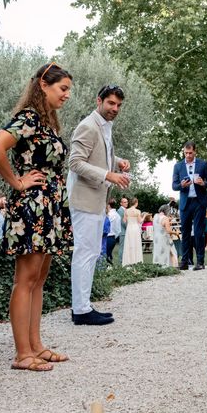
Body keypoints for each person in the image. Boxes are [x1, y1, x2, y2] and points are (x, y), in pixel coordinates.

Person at [0, 62, 74, 372]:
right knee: (25, 280)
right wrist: (17, 181)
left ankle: (36, 345)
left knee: (38, 279)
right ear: (43, 86)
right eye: (63, 88)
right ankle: (22, 354)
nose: (66, 95)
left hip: (48, 206)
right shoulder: (28, 119)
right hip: (32, 206)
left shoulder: (48, 123)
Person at [68, 85, 131, 326]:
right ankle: (81, 310)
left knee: (92, 252)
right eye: (111, 103)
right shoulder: (88, 125)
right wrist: (109, 175)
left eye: (118, 105)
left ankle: (83, 306)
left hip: (95, 200)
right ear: (99, 101)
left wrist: (118, 162)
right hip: (84, 199)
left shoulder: (104, 127)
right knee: (85, 253)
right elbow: (75, 162)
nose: (115, 108)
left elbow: (99, 156)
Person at [171, 141, 207, 270]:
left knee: (200, 233)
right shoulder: (178, 166)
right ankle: (184, 262)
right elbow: (174, 186)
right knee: (185, 233)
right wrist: (181, 186)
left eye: (190, 153)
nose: (188, 155)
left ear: (195, 151)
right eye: (186, 153)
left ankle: (200, 262)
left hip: (199, 202)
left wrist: (203, 183)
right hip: (185, 203)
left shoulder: (202, 164)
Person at [122, 197, 143, 266]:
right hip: (136, 229)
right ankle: (136, 261)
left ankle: (129, 261)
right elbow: (140, 221)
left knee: (129, 244)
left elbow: (124, 221)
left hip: (129, 228)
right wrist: (145, 216)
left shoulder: (126, 211)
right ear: (136, 203)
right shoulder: (138, 211)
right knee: (136, 244)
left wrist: (129, 219)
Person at [106, 198, 121, 265]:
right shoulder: (118, 215)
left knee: (105, 256)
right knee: (109, 255)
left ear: (108, 205)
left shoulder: (109, 215)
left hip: (107, 237)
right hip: (113, 238)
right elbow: (118, 230)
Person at [117, 196, 128, 264]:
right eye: (124, 202)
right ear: (121, 203)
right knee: (122, 247)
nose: (126, 203)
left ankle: (124, 260)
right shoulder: (120, 211)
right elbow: (123, 222)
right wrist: (130, 228)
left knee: (124, 247)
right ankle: (120, 261)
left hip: (125, 231)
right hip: (123, 231)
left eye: (127, 202)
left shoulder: (125, 210)